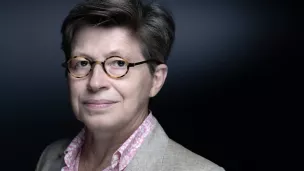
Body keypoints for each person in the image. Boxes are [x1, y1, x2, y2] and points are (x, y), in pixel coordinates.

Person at [35, 0, 225, 171]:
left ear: (156, 80)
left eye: (118, 63)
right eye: (83, 63)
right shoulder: (51, 157)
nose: (95, 82)